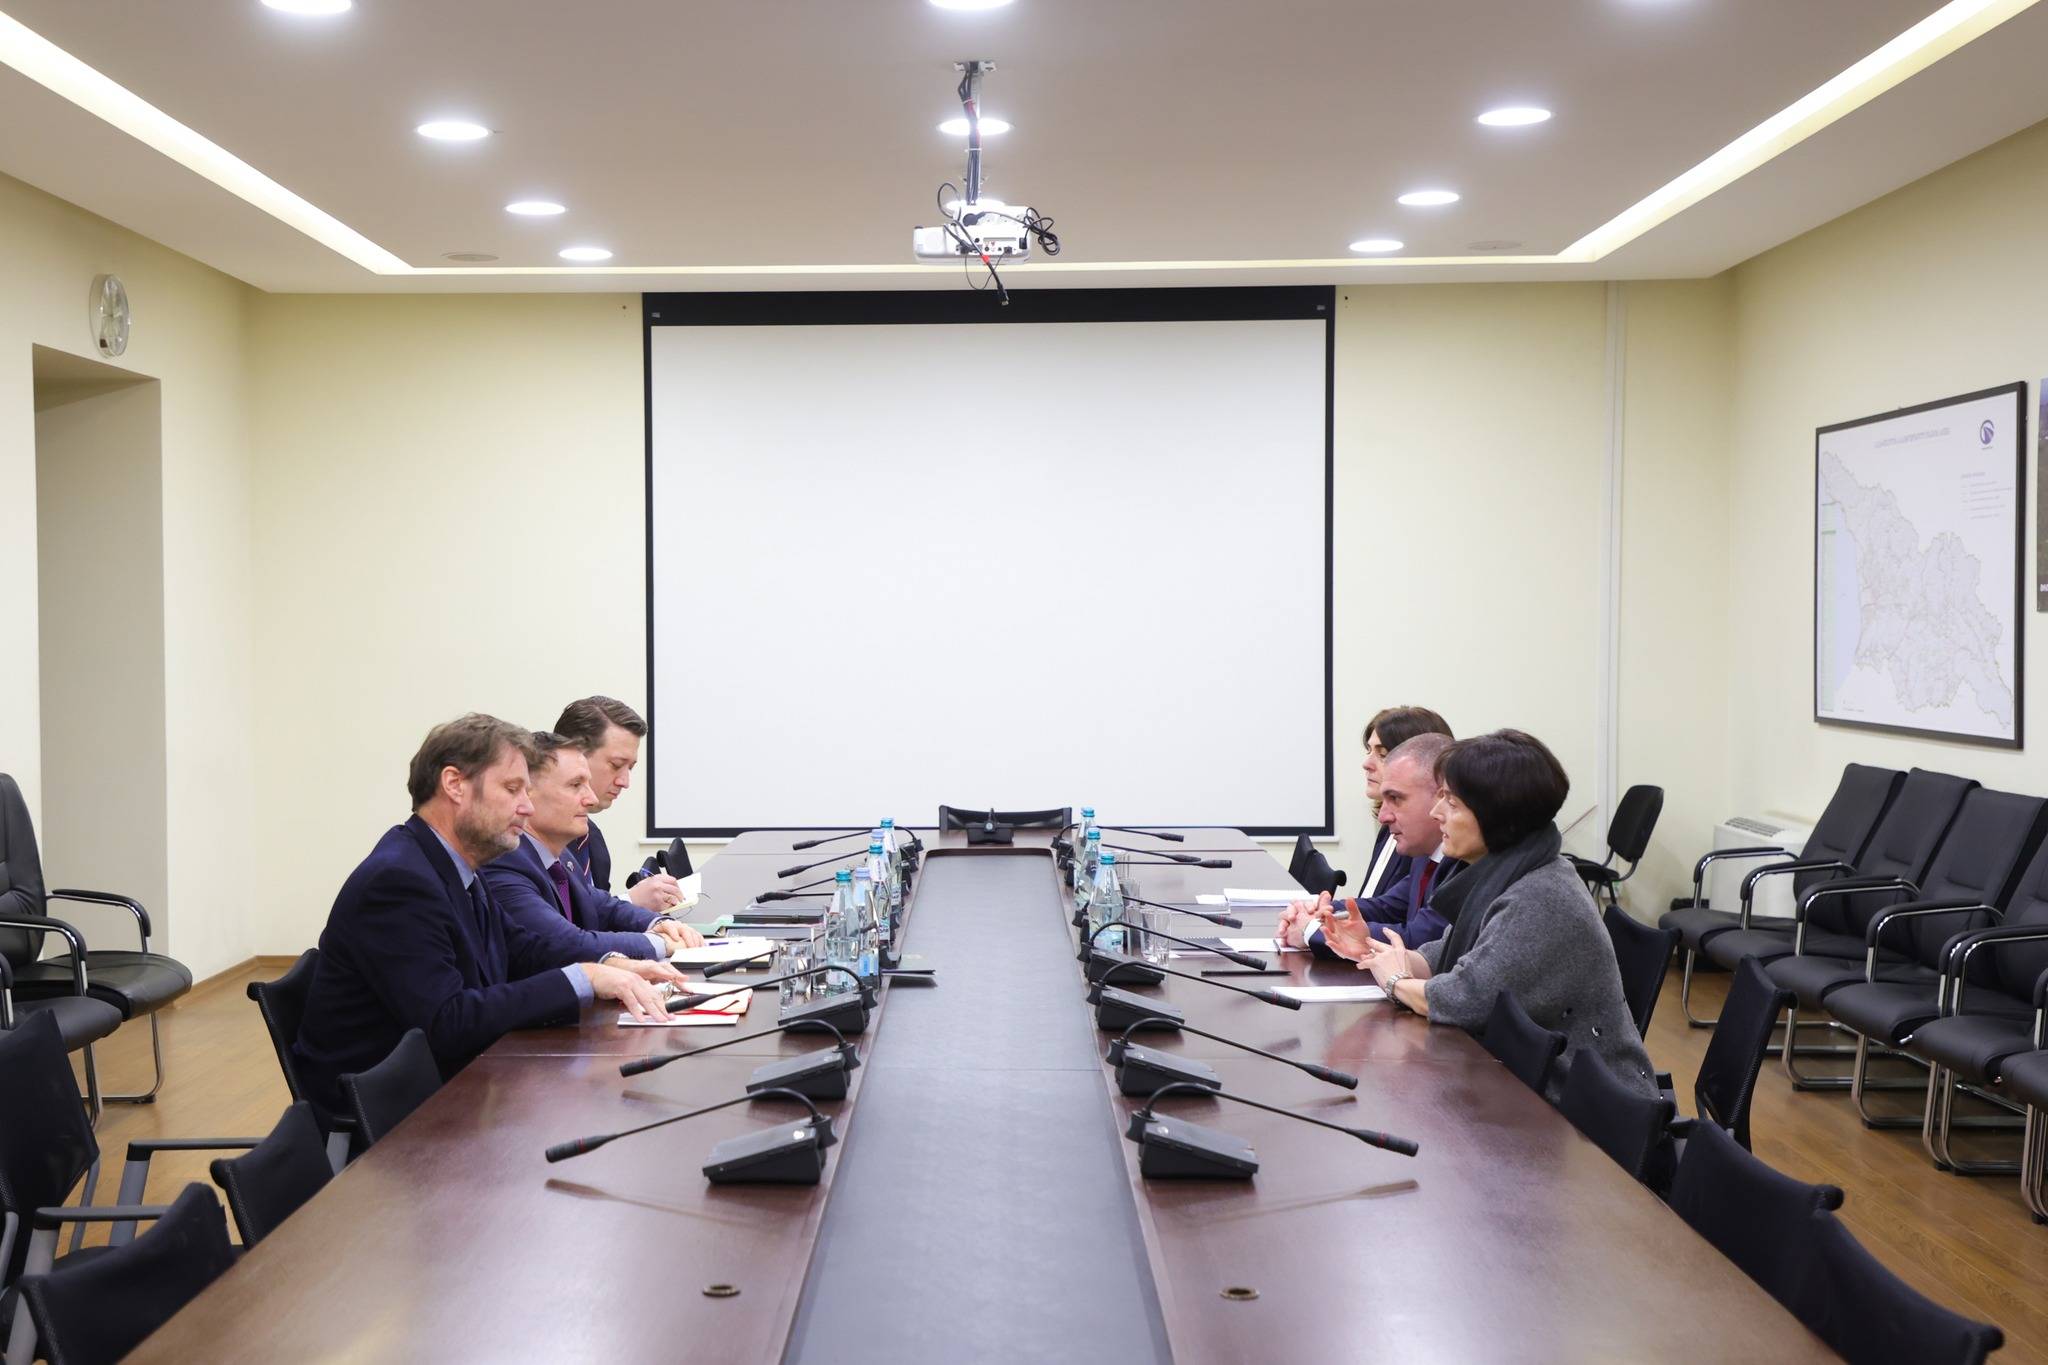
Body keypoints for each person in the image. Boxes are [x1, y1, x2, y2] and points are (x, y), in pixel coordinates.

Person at [293, 714, 680, 1119]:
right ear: (454, 784)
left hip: (452, 1087)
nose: (526, 806)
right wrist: (583, 977)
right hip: (391, 1119)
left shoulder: (453, 863)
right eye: (512, 789)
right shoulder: (398, 880)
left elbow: (521, 947)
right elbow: (447, 1021)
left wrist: (611, 965)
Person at [1325, 729, 1655, 1103]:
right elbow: (1438, 958)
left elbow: (1463, 999)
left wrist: (1395, 981)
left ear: (1495, 816)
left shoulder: (1542, 896)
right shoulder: (1504, 874)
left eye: (1450, 802)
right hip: (1536, 1087)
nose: (1436, 812)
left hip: (1593, 1113)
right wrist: (1370, 951)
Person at [481, 732, 705, 963]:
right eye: (576, 785)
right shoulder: (503, 862)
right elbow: (565, 943)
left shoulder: (560, 856)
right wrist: (661, 943)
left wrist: (659, 923)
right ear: (527, 793)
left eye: (588, 784)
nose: (591, 799)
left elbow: (602, 906)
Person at [1278, 705, 1452, 951]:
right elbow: (1388, 906)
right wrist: (1323, 910)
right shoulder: (1424, 852)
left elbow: (1421, 938)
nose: (1383, 816)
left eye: (1396, 798)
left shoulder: (1462, 861)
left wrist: (1312, 931)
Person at [553, 696, 684, 912]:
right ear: (574, 757)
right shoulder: (527, 842)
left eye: (629, 768)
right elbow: (557, 925)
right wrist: (629, 901)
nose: (625, 782)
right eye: (616, 765)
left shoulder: (592, 839)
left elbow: (595, 921)